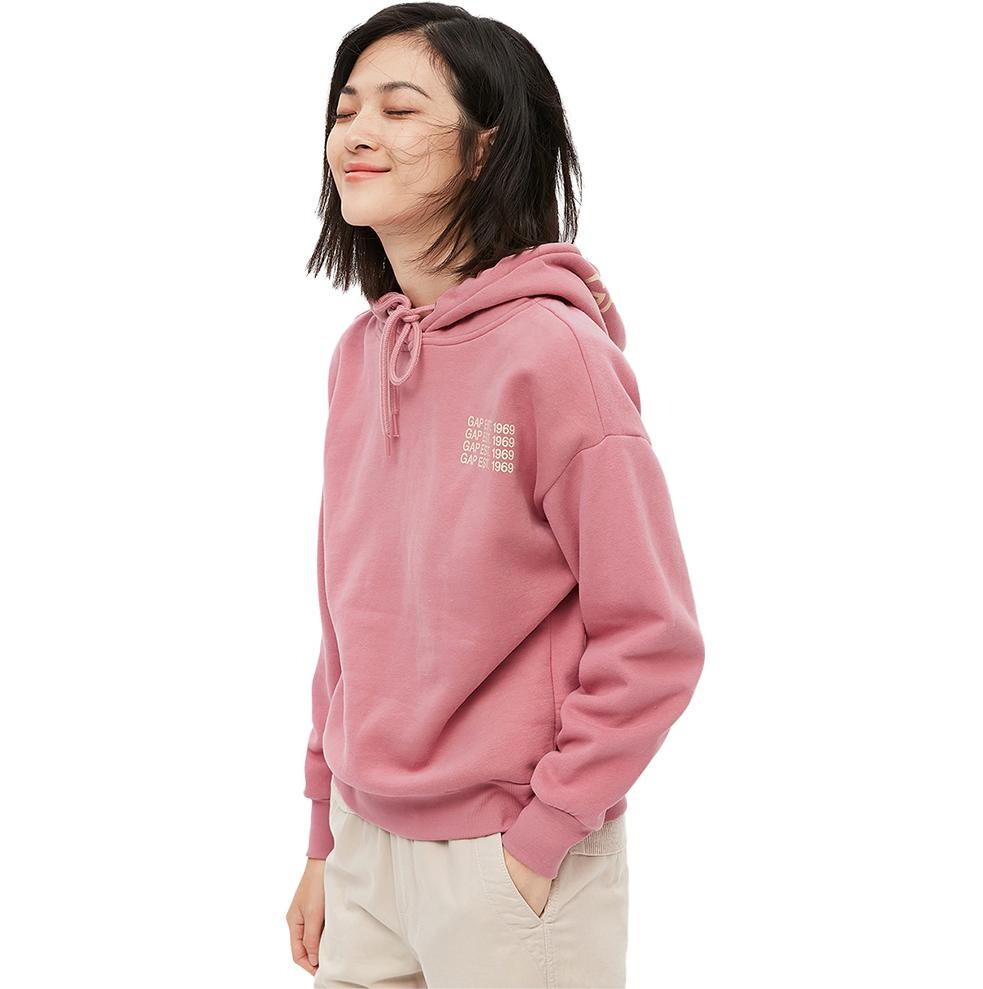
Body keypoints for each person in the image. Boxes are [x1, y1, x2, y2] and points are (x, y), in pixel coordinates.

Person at [285, 5, 706, 987]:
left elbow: (652, 636)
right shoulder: (360, 355)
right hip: (364, 844)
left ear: (485, 148)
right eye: (345, 109)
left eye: (399, 109)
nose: (356, 133)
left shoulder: (553, 355)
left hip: (506, 856)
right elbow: (346, 618)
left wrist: (544, 831)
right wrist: (322, 832)